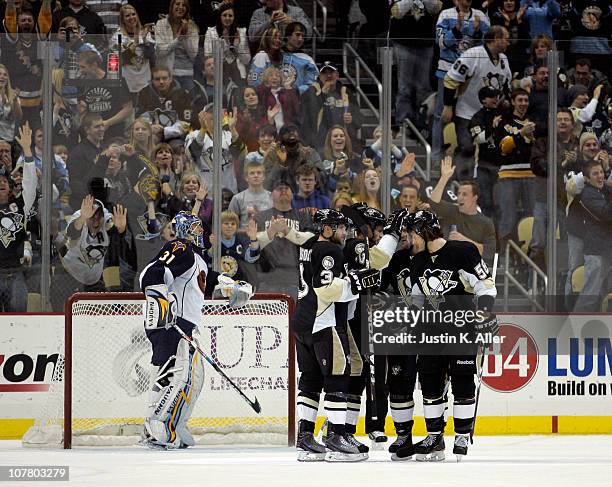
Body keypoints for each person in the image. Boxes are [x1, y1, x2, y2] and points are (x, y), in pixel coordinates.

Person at [139, 210, 253, 449]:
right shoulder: (180, 247)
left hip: (185, 323)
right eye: (197, 228)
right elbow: (152, 272)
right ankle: (156, 425)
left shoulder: (196, 258)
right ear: (185, 230)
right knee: (175, 374)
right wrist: (160, 298)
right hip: (171, 322)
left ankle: (175, 424)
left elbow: (206, 279)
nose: (201, 232)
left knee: (193, 378)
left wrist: (229, 284)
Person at [393, 209, 497, 461]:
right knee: (430, 384)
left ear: (422, 231)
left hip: (461, 329)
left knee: (462, 381)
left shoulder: (462, 251)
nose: (409, 239)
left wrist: (484, 313)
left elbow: (486, 285)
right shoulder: (417, 263)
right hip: (430, 333)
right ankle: (434, 437)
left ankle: (461, 435)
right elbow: (416, 302)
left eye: (411, 233)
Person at [292, 208, 380, 462]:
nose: (344, 233)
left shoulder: (308, 245)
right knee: (338, 375)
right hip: (324, 321)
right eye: (340, 228)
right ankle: (337, 436)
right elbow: (326, 289)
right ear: (326, 229)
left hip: (302, 321)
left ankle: (306, 437)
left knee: (310, 380)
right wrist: (357, 282)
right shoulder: (330, 251)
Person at [442, 25, 512, 179]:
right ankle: (462, 182)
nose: (509, 42)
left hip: (490, 115)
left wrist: (506, 102)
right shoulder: (473, 54)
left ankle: (481, 185)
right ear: (495, 39)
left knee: (490, 151)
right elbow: (450, 79)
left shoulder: (504, 60)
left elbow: (506, 85)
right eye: (506, 39)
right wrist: (447, 106)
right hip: (466, 112)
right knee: (467, 147)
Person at [429, 157, 497, 265]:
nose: (459, 197)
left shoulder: (486, 222)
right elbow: (433, 203)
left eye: (464, 194)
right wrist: (444, 178)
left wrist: (465, 241)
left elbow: (490, 252)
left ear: (475, 198)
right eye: (459, 193)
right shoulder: (452, 211)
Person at [493, 88, 537, 248]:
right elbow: (503, 148)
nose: (523, 104)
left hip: (531, 175)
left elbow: (542, 148)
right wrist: (520, 134)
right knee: (508, 217)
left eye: (526, 100)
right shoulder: (503, 122)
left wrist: (534, 140)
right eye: (520, 100)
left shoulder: (535, 122)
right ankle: (505, 254)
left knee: (533, 216)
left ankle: (530, 253)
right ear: (512, 102)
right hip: (508, 175)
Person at [0, 122, 36, 312]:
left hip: (16, 273)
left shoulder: (21, 205)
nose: (2, 183)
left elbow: (30, 184)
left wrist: (28, 152)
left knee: (20, 320)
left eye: (5, 180)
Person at [389, 0, 442, 127]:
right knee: (404, 87)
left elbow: (437, 8)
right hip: (403, 43)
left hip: (425, 44)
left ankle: (421, 122)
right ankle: (402, 121)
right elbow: (396, 12)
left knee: (423, 87)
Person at [573, 159, 612, 311]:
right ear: (587, 179)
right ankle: (574, 326)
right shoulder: (588, 194)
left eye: (601, 172)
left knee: (604, 295)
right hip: (596, 251)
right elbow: (605, 214)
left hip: (606, 250)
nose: (600, 176)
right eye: (595, 174)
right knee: (590, 295)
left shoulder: (603, 190)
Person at [77, 50, 133, 139]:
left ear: (94, 65)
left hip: (114, 134)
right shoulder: (82, 83)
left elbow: (128, 108)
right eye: (79, 67)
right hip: (92, 137)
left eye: (83, 67)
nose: (80, 71)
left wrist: (108, 123)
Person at [154, 0, 199, 91]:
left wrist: (184, 36)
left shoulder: (192, 26)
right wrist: (178, 40)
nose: (180, 7)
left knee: (188, 104)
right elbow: (160, 52)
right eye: (177, 4)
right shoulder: (161, 24)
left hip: (187, 75)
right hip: (166, 74)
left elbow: (193, 54)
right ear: (172, 7)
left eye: (184, 5)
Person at [111, 4, 155, 97]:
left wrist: (145, 41)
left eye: (133, 14)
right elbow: (122, 60)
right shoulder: (117, 36)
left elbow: (151, 57)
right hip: (128, 83)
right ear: (122, 19)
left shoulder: (144, 32)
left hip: (145, 82)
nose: (131, 17)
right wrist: (135, 43)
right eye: (127, 16)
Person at [204, 2, 251, 85]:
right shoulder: (211, 32)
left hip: (239, 74)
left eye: (230, 15)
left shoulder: (241, 32)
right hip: (219, 73)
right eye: (224, 15)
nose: (227, 18)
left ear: (234, 17)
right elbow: (208, 55)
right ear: (220, 17)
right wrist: (226, 43)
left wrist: (237, 46)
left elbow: (246, 60)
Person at [228, 159, 273, 227]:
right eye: (252, 173)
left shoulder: (272, 197)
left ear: (264, 177)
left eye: (259, 173)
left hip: (267, 236)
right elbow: (229, 224)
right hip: (244, 236)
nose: (256, 175)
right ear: (246, 177)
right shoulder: (237, 198)